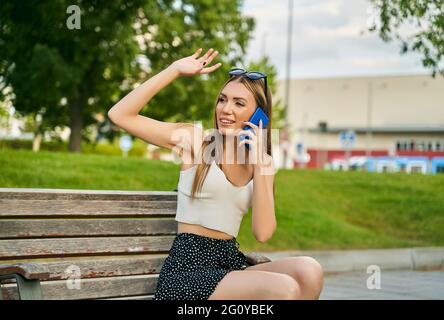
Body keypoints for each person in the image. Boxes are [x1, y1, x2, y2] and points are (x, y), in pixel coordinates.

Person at [107, 48, 323, 300]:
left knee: (309, 270)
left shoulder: (261, 163)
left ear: (258, 116)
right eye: (222, 99)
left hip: (229, 263)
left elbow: (263, 234)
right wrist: (174, 70)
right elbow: (119, 115)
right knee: (283, 289)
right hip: (187, 272)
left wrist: (262, 169)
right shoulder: (197, 142)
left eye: (239, 103)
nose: (225, 109)